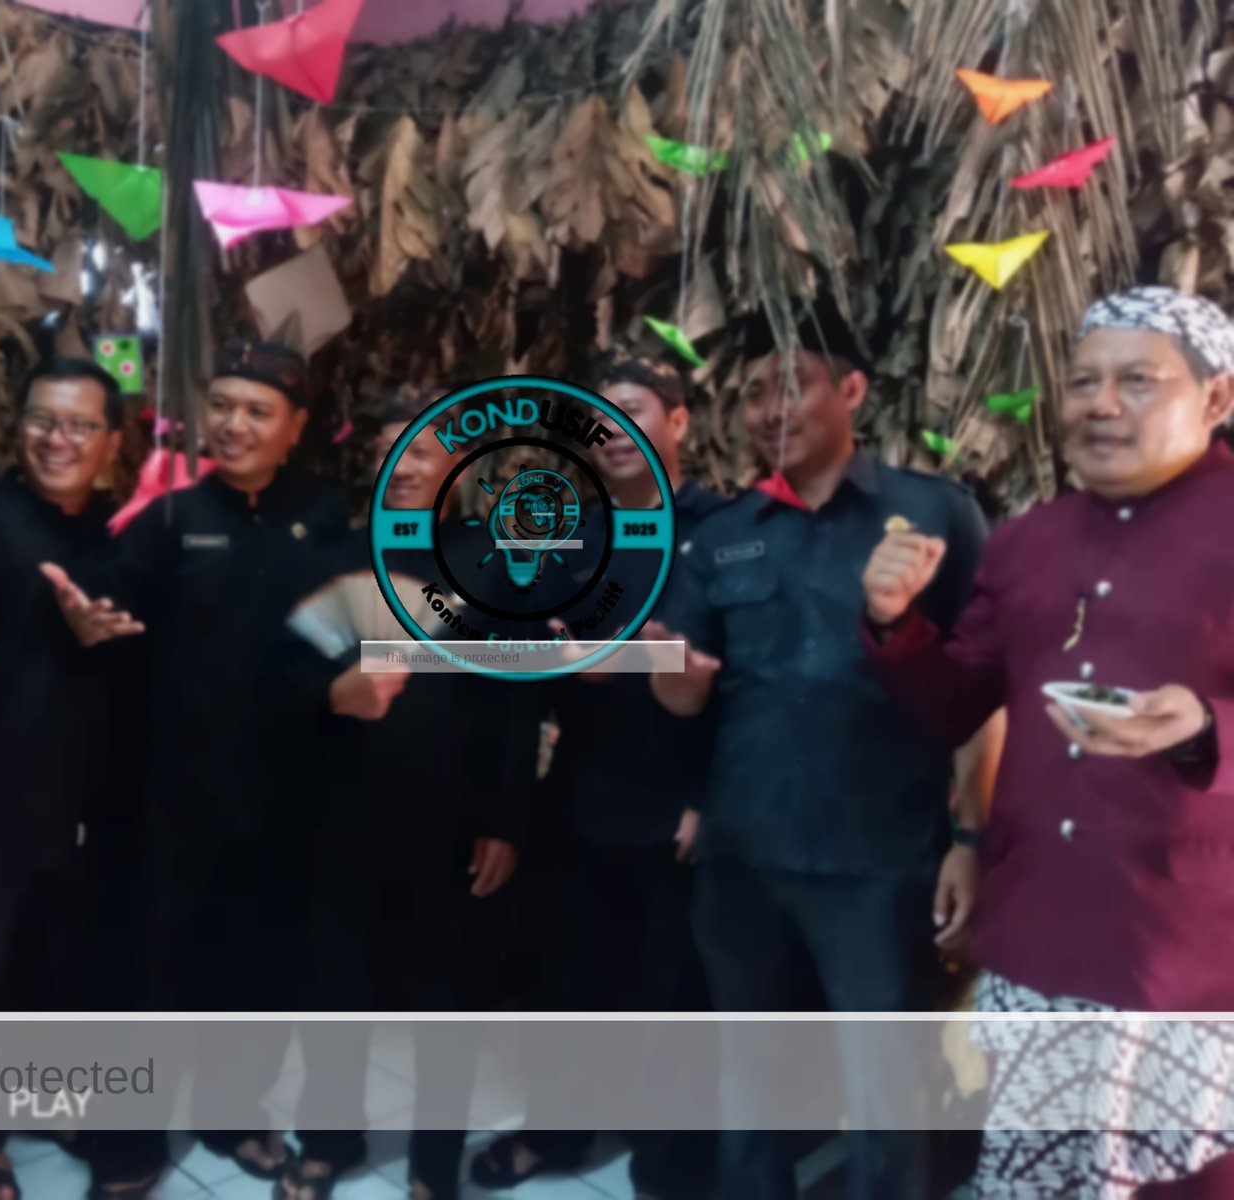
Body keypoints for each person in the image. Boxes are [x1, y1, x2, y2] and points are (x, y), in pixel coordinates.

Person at [859, 285, 1234, 1198]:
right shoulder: (1029, 540)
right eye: (1082, 381)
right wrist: (895, 621)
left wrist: (1207, 724)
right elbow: (957, 702)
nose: (1100, 404)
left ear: (1216, 397)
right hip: (1040, 930)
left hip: (1189, 951)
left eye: (1137, 381)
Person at [647, 295, 994, 1200]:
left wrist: (971, 839)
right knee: (750, 1082)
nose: (771, 409)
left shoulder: (937, 514)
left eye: (792, 384)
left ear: (852, 391)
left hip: (879, 865)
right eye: (754, 391)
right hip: (742, 860)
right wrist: (669, 672)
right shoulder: (723, 536)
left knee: (886, 1093)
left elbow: (981, 696)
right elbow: (684, 694)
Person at [43, 336, 351, 1185]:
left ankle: (233, 1112)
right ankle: (129, 1141)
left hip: (287, 793)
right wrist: (87, 621)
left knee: (256, 971)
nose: (234, 424)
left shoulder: (324, 517)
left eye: (257, 410)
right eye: (221, 406)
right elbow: (106, 606)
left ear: (296, 426)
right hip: (169, 798)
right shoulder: (171, 518)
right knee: (150, 974)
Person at [470, 349, 720, 1199]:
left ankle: (671, 1159)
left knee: (674, 992)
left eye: (633, 410)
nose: (613, 430)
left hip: (678, 808)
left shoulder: (722, 531)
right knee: (569, 982)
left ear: (677, 421)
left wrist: (708, 800)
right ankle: (556, 1131)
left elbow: (746, 681)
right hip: (581, 797)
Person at [0, 358, 159, 1200]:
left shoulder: (122, 535)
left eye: (80, 425)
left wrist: (98, 635)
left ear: (112, 443)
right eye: (43, 421)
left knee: (59, 961)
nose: (59, 439)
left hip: (87, 794)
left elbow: (138, 658)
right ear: (17, 429)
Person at [282, 385, 535, 1200]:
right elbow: (292, 668)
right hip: (341, 809)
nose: (401, 465)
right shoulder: (339, 554)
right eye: (389, 449)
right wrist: (329, 693)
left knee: (445, 1003)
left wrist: (503, 818)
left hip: (449, 818)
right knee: (333, 990)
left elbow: (514, 700)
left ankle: (433, 1166)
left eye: (420, 449)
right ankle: (327, 1140)